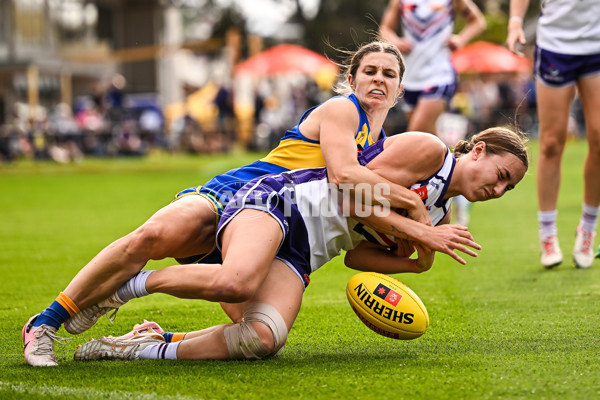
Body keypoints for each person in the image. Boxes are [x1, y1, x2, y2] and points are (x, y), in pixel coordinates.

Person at [22, 40, 467, 367]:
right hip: (244, 196)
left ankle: (144, 340)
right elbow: (344, 176)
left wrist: (415, 249)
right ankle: (45, 323)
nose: (378, 79)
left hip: (283, 236)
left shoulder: (383, 146)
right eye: (370, 71)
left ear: (400, 88)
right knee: (154, 236)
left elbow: (356, 216)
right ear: (352, 79)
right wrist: (415, 210)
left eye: (389, 75)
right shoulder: (342, 110)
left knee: (258, 335)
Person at [73, 126, 529, 362]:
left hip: (306, 250)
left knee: (261, 339)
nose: (497, 188)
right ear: (479, 151)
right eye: (501, 175)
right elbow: (351, 193)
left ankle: (143, 346)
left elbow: (354, 254)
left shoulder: (439, 215)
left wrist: (416, 265)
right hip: (284, 203)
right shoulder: (430, 153)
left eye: (507, 189)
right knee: (235, 282)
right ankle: (127, 287)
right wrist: (420, 230)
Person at [506, 0, 600, 269]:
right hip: (556, 45)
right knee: (550, 142)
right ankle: (547, 234)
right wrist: (515, 22)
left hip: (597, 43)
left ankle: (588, 229)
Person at [379, 0, 486, 228]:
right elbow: (385, 29)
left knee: (414, 134)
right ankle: (456, 193)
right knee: (431, 141)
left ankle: (408, 199)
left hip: (440, 74)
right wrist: (395, 41)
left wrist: (461, 39)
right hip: (410, 77)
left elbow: (478, 22)